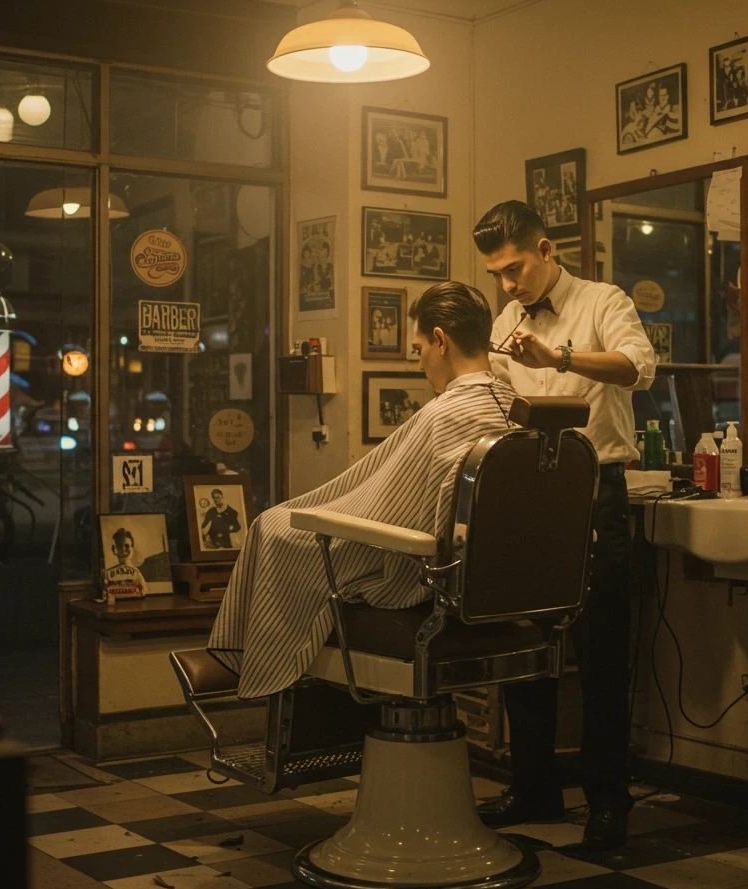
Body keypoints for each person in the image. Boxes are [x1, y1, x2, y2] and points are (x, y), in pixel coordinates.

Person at [208, 281, 517, 699]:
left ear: (441, 340)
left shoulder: (444, 415)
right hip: (500, 594)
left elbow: (398, 515)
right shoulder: (516, 408)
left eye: (419, 349)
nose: (420, 363)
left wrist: (300, 519)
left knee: (274, 529)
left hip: (431, 589)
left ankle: (263, 671)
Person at [471, 200, 656, 851]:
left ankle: (608, 800)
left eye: (514, 269)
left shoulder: (604, 301)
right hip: (529, 488)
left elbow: (639, 368)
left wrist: (562, 359)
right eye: (496, 274)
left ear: (546, 250)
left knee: (600, 651)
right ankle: (534, 787)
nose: (507, 285)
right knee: (527, 647)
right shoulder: (507, 320)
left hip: (594, 486)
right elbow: (498, 398)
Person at [104, 527, 148, 596]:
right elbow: (105, 592)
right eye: (119, 546)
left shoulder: (136, 572)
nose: (123, 549)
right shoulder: (108, 573)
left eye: (127, 546)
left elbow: (144, 591)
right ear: (114, 549)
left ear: (132, 549)